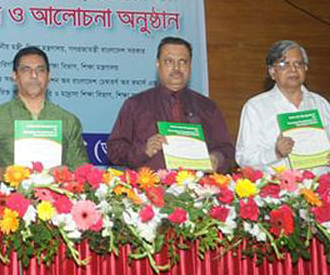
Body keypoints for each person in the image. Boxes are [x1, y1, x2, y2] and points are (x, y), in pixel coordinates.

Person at [107, 36, 234, 173]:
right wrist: (143, 150)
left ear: (190, 66)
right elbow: (114, 151)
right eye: (169, 61)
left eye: (183, 62)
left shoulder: (207, 107)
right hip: (148, 189)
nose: (176, 68)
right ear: (158, 64)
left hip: (198, 191)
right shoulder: (136, 105)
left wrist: (216, 159)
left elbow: (227, 151)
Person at [0, 46, 88, 178]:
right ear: (14, 76)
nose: (34, 75)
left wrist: (67, 172)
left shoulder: (68, 121)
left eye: (40, 70)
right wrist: (3, 173)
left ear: (49, 76)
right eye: (26, 70)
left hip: (58, 195)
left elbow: (82, 167)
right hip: (7, 195)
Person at [236, 40, 330, 171]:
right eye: (284, 64)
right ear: (272, 72)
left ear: (306, 68)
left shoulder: (321, 104)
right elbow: (244, 159)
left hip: (321, 187)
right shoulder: (256, 107)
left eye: (298, 63)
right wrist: (275, 153)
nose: (293, 69)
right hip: (279, 188)